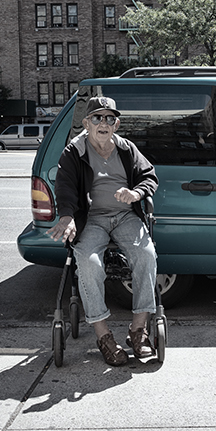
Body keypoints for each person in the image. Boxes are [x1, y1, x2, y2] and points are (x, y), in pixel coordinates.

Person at [47, 96, 159, 366]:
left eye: (109, 118)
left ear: (116, 124)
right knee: (87, 261)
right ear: (87, 123)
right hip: (92, 218)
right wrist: (67, 216)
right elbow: (65, 186)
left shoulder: (126, 148)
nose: (103, 123)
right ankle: (103, 335)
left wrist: (136, 193)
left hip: (124, 216)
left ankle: (138, 331)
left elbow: (149, 176)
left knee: (146, 255)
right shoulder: (74, 151)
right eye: (97, 117)